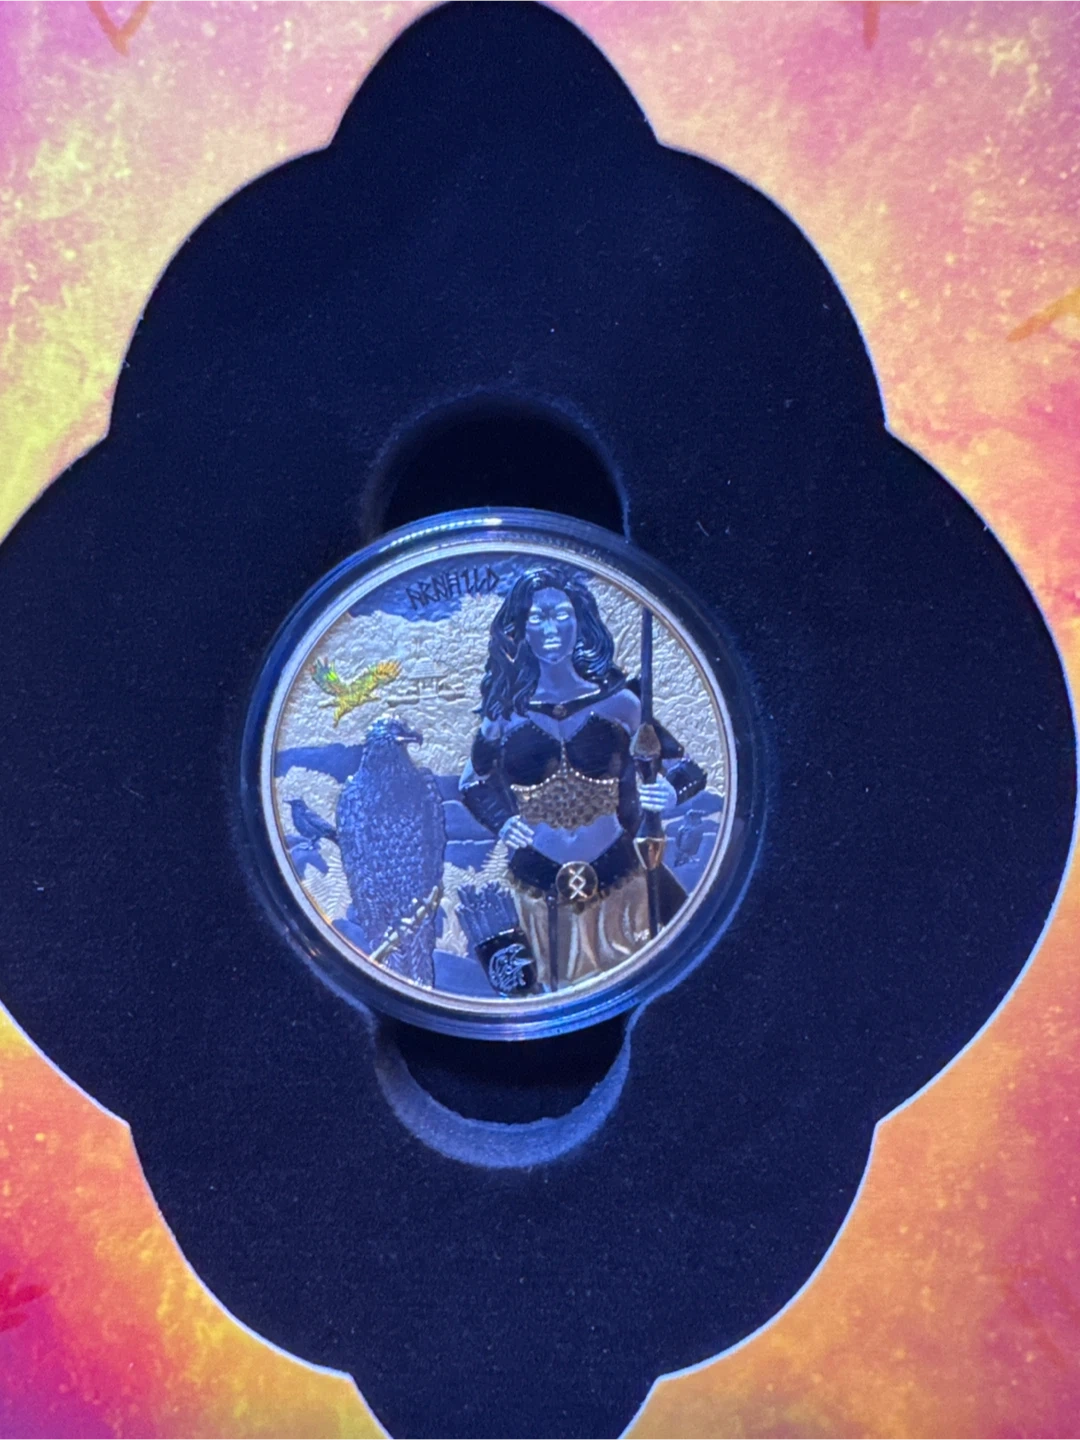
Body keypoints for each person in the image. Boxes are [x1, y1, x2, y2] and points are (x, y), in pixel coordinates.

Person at [458, 564, 706, 991]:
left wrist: (669, 792)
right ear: (519, 630)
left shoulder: (621, 703)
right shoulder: (505, 713)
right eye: (537, 617)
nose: (550, 628)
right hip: (536, 887)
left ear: (580, 622)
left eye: (562, 615)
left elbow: (689, 769)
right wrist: (501, 821)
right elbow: (473, 782)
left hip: (620, 879)